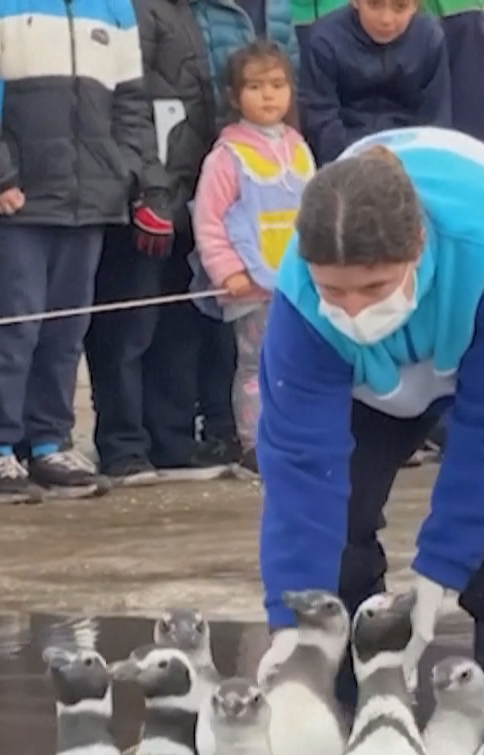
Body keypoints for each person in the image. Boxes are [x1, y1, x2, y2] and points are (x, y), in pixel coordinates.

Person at [257, 126, 484, 723]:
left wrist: (439, 568)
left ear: (417, 244)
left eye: (373, 286)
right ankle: (345, 716)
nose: (355, 310)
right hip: (376, 374)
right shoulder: (300, 304)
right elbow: (301, 466)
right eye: (333, 291)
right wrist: (293, 623)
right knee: (336, 525)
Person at [0, 0, 164, 503]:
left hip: (87, 201)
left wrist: (120, 173)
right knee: (10, 330)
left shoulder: (115, 9)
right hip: (9, 202)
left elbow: (131, 102)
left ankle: (49, 440)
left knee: (66, 329)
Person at [82, 0, 215, 487]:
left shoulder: (183, 14)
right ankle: (123, 444)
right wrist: (147, 188)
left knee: (177, 327)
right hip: (142, 197)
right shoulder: (128, 11)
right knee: (127, 327)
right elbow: (126, 108)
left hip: (184, 194)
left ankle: (172, 439)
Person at [193, 41, 315, 475]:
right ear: (234, 96)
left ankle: (297, 436)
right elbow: (209, 219)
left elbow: (315, 212)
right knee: (256, 365)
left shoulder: (299, 147)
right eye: (256, 86)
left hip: (299, 284)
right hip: (252, 285)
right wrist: (228, 271)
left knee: (300, 363)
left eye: (278, 85)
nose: (269, 96)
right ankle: (255, 441)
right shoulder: (227, 157)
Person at [297, 0, 449, 161]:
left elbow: (436, 120)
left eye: (400, 7)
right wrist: (356, 161)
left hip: (410, 153)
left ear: (415, 6)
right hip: (346, 156)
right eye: (374, 4)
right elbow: (320, 118)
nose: (386, 19)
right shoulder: (324, 40)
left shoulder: (429, 37)